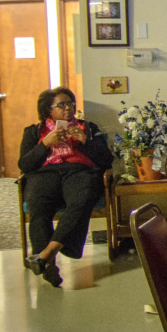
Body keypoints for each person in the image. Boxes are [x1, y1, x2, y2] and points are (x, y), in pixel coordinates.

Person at [19, 87, 114, 288]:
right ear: (48, 110)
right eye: (61, 105)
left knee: (83, 198)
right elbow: (25, 165)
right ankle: (49, 266)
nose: (67, 108)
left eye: (70, 103)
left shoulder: (87, 127)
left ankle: (45, 254)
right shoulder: (34, 131)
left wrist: (84, 140)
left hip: (78, 171)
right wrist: (45, 143)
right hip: (45, 174)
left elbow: (106, 160)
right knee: (37, 205)